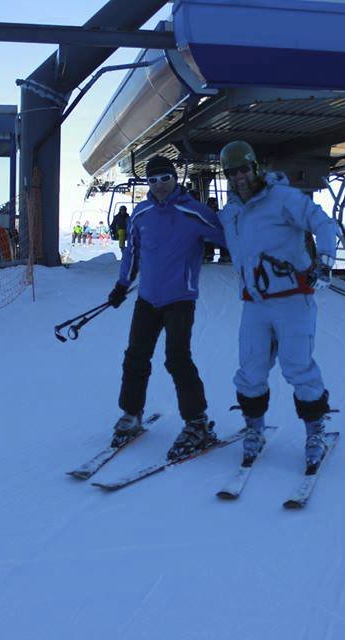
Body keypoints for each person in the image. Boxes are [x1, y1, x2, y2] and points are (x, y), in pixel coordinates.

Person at [216, 140, 339, 471]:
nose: (239, 177)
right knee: (251, 369)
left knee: (297, 366)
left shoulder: (283, 199)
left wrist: (324, 261)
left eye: (243, 169)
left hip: (292, 300)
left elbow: (325, 224)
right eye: (231, 172)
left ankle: (315, 432)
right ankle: (254, 429)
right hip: (254, 304)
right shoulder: (231, 213)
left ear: (255, 167)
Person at [108, 155, 226, 461]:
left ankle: (196, 422)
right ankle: (131, 414)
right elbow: (132, 251)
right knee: (135, 356)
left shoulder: (194, 212)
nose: (159, 185)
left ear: (175, 178)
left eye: (165, 178)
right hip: (147, 298)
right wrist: (122, 284)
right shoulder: (141, 213)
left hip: (180, 299)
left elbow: (229, 238)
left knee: (177, 359)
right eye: (153, 180)